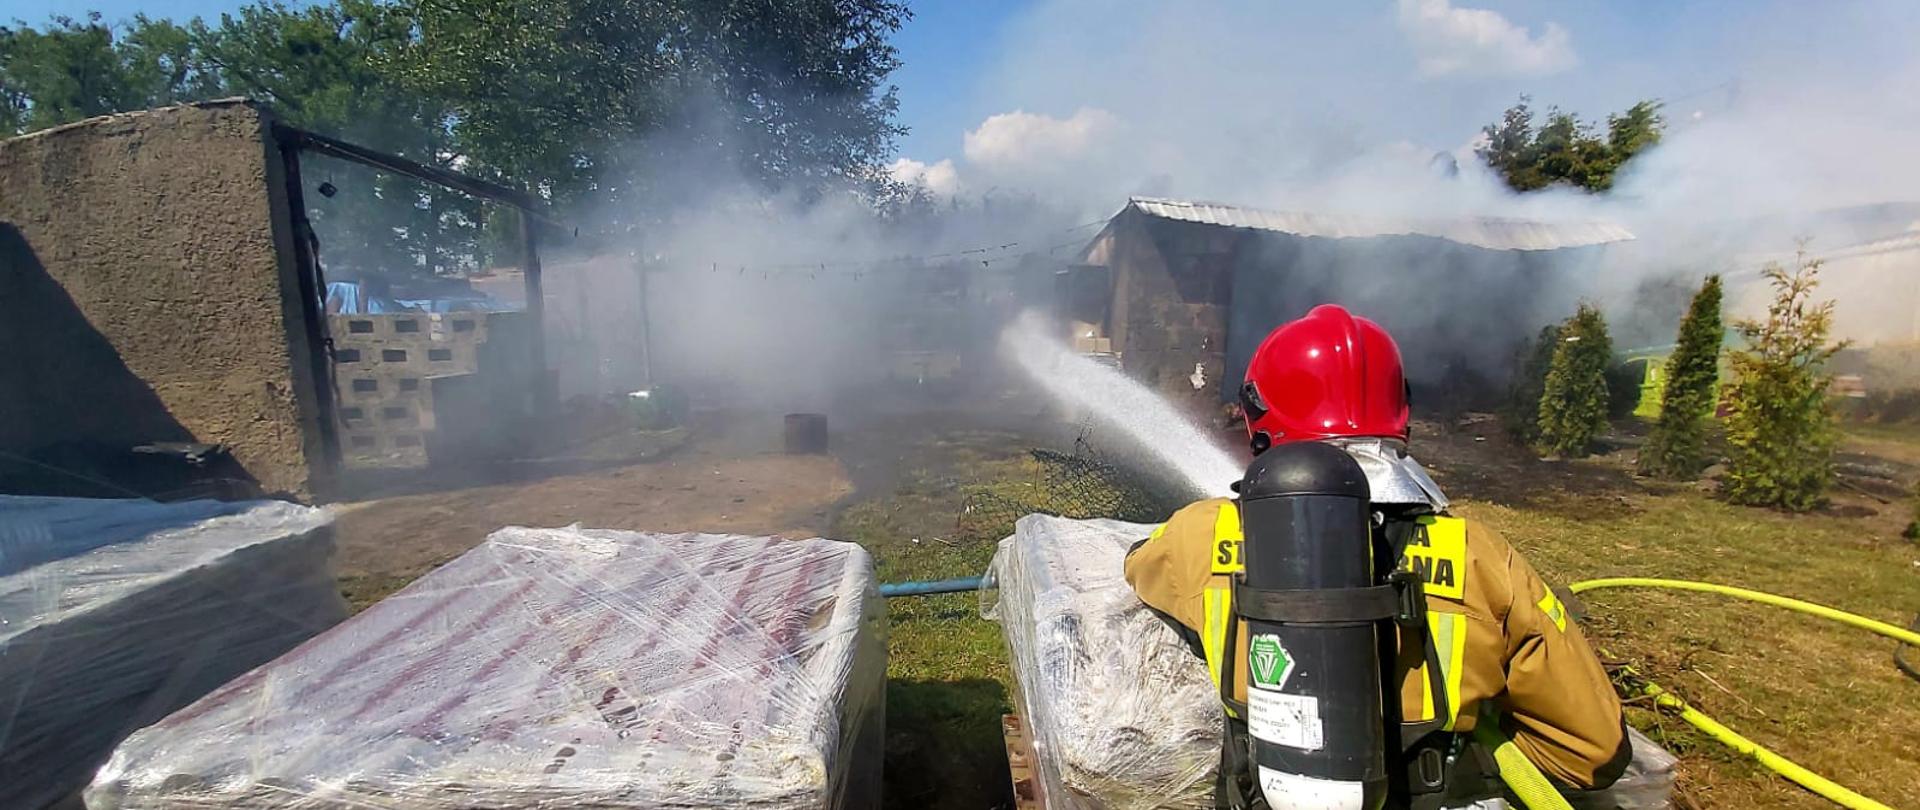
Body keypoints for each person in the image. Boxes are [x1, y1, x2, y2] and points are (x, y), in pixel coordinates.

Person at [1124, 304, 1630, 810]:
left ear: (1261, 420)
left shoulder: (1199, 533)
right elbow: (1593, 750)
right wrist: (1472, 757)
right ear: (1399, 419)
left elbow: (1139, 564)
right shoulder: (1481, 559)